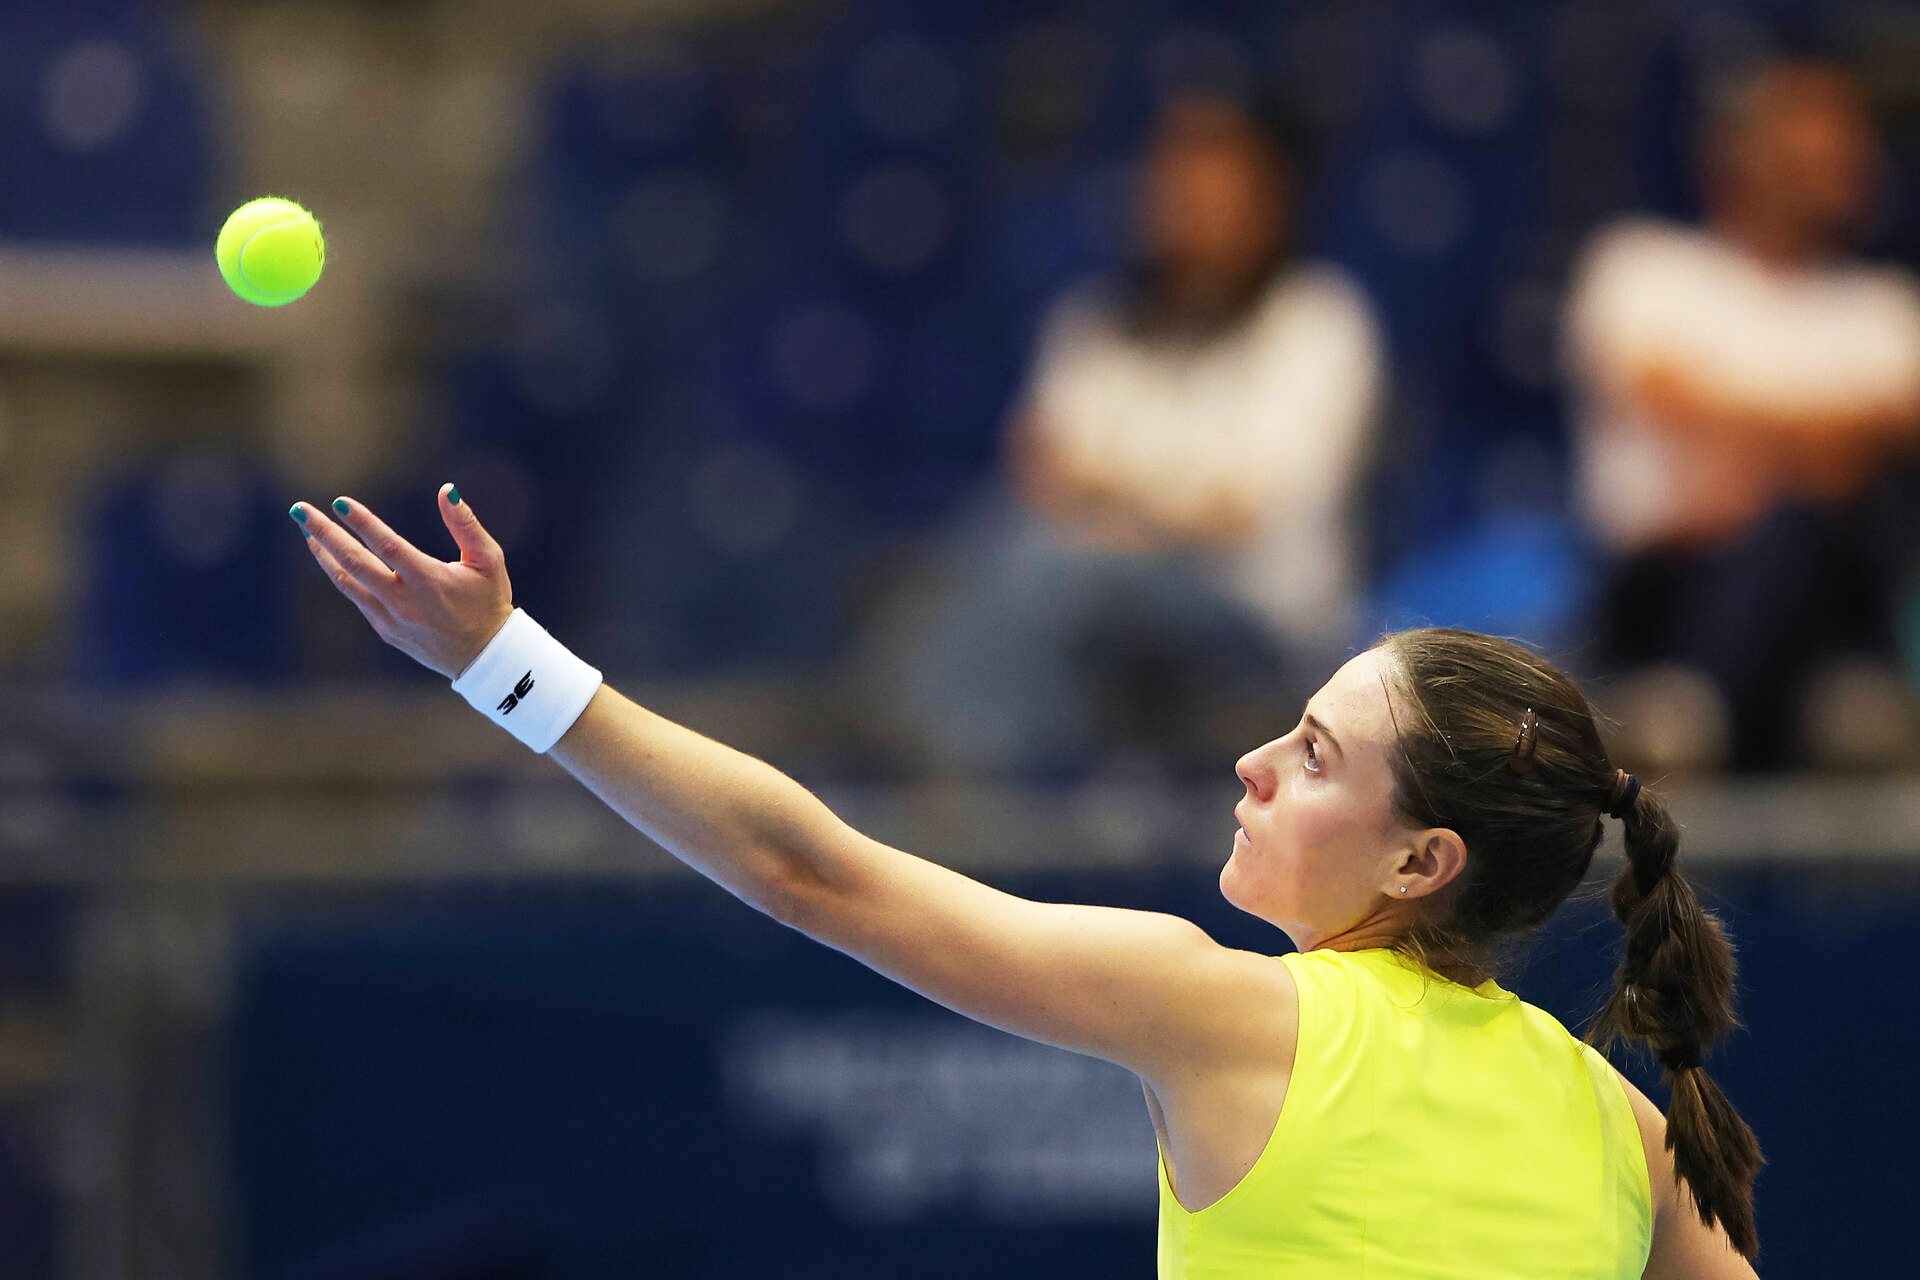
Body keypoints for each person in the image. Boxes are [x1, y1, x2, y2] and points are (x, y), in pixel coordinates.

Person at [289, 486, 1764, 1278]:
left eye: (1314, 758)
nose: (1253, 761)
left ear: (1422, 860)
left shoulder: (1235, 1016)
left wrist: (507, 670)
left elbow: (813, 873)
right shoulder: (1625, 1128)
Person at [871, 90, 1383, 775]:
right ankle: (991, 788)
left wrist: (1112, 494)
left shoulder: (1318, 322)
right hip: (1094, 599)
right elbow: (1041, 475)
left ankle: (983, 797)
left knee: (1048, 570)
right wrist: (1147, 498)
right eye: (1173, 184)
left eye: (1215, 188)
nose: (1188, 206)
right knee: (944, 569)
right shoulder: (1095, 324)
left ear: (1271, 199)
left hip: (1257, 622)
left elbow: (1241, 509)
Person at [1564, 57, 1920, 772]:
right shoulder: (1644, 269)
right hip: (1666, 597)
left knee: (1807, 530)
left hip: (1837, 595)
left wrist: (1747, 434)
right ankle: (1704, 701)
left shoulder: (1886, 308)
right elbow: (1668, 395)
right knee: (1785, 528)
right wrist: (1827, 439)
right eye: (1808, 145)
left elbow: (1895, 431)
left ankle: (1720, 706)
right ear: (1740, 154)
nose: (1837, 162)